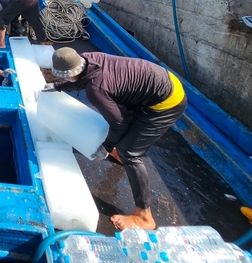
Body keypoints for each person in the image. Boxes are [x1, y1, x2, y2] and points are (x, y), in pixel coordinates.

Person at [50, 47, 187, 230]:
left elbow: (119, 125)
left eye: (63, 77)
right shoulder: (88, 59)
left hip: (167, 102)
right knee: (117, 113)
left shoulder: (96, 90)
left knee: (130, 151)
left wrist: (106, 147)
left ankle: (144, 216)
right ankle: (119, 152)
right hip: (161, 82)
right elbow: (80, 78)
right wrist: (58, 86)